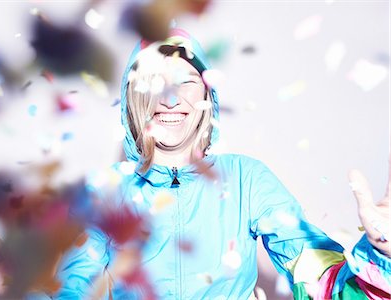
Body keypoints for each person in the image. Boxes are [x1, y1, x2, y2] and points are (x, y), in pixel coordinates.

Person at [53, 29, 391, 299]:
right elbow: (72, 290)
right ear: (132, 95)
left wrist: (381, 256)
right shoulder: (102, 191)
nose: (170, 98)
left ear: (206, 94)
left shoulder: (247, 179)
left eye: (185, 80)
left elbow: (323, 283)